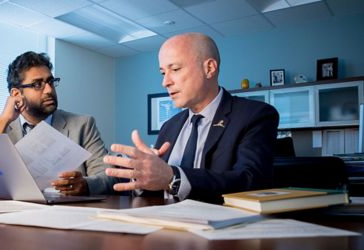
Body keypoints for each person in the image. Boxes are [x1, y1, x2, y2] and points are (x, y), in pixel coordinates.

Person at [103, 33, 279, 204]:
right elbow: (158, 190)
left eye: (175, 69)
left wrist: (174, 177)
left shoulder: (255, 115)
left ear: (209, 68)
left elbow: (251, 183)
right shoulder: (169, 127)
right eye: (163, 73)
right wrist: (143, 176)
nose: (165, 82)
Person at [0, 51, 116, 195]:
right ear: (16, 94)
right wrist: (2, 123)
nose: (49, 90)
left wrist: (86, 185)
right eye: (37, 84)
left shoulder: (83, 125)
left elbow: (108, 176)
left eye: (50, 81)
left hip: (65, 214)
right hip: (14, 216)